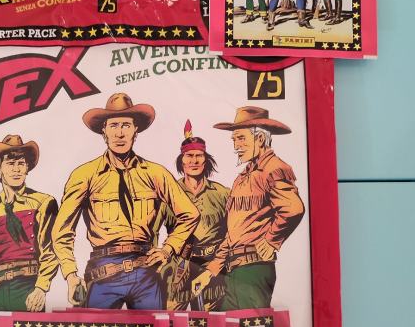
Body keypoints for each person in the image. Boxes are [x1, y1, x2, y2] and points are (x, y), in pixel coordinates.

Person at [51, 92, 199, 309]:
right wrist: (71, 275)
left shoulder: (155, 173)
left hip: (146, 273)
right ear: (104, 130)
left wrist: (167, 249)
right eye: (114, 125)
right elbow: (61, 231)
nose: (120, 133)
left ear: (135, 130)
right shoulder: (84, 175)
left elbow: (190, 214)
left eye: (126, 125)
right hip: (103, 273)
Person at [193, 106, 304, 309]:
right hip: (234, 271)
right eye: (234, 140)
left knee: (250, 326)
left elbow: (293, 208)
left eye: (241, 138)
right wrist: (211, 270)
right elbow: (232, 233)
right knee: (224, 323)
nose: (236, 146)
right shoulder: (242, 178)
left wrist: (271, 240)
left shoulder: (274, 168)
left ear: (260, 139)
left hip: (254, 269)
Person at [0, 135, 58, 327]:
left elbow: (50, 250)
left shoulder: (43, 202)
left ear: (27, 168)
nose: (17, 169)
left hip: (27, 289)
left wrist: (40, 288)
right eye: (10, 164)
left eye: (21, 163)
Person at [161, 120, 229, 310]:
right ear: (181, 160)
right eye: (189, 156)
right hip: (179, 265)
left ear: (206, 160)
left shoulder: (222, 194)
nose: (194, 161)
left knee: (211, 321)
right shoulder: (170, 192)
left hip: (212, 267)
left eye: (199, 156)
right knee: (171, 318)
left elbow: (233, 231)